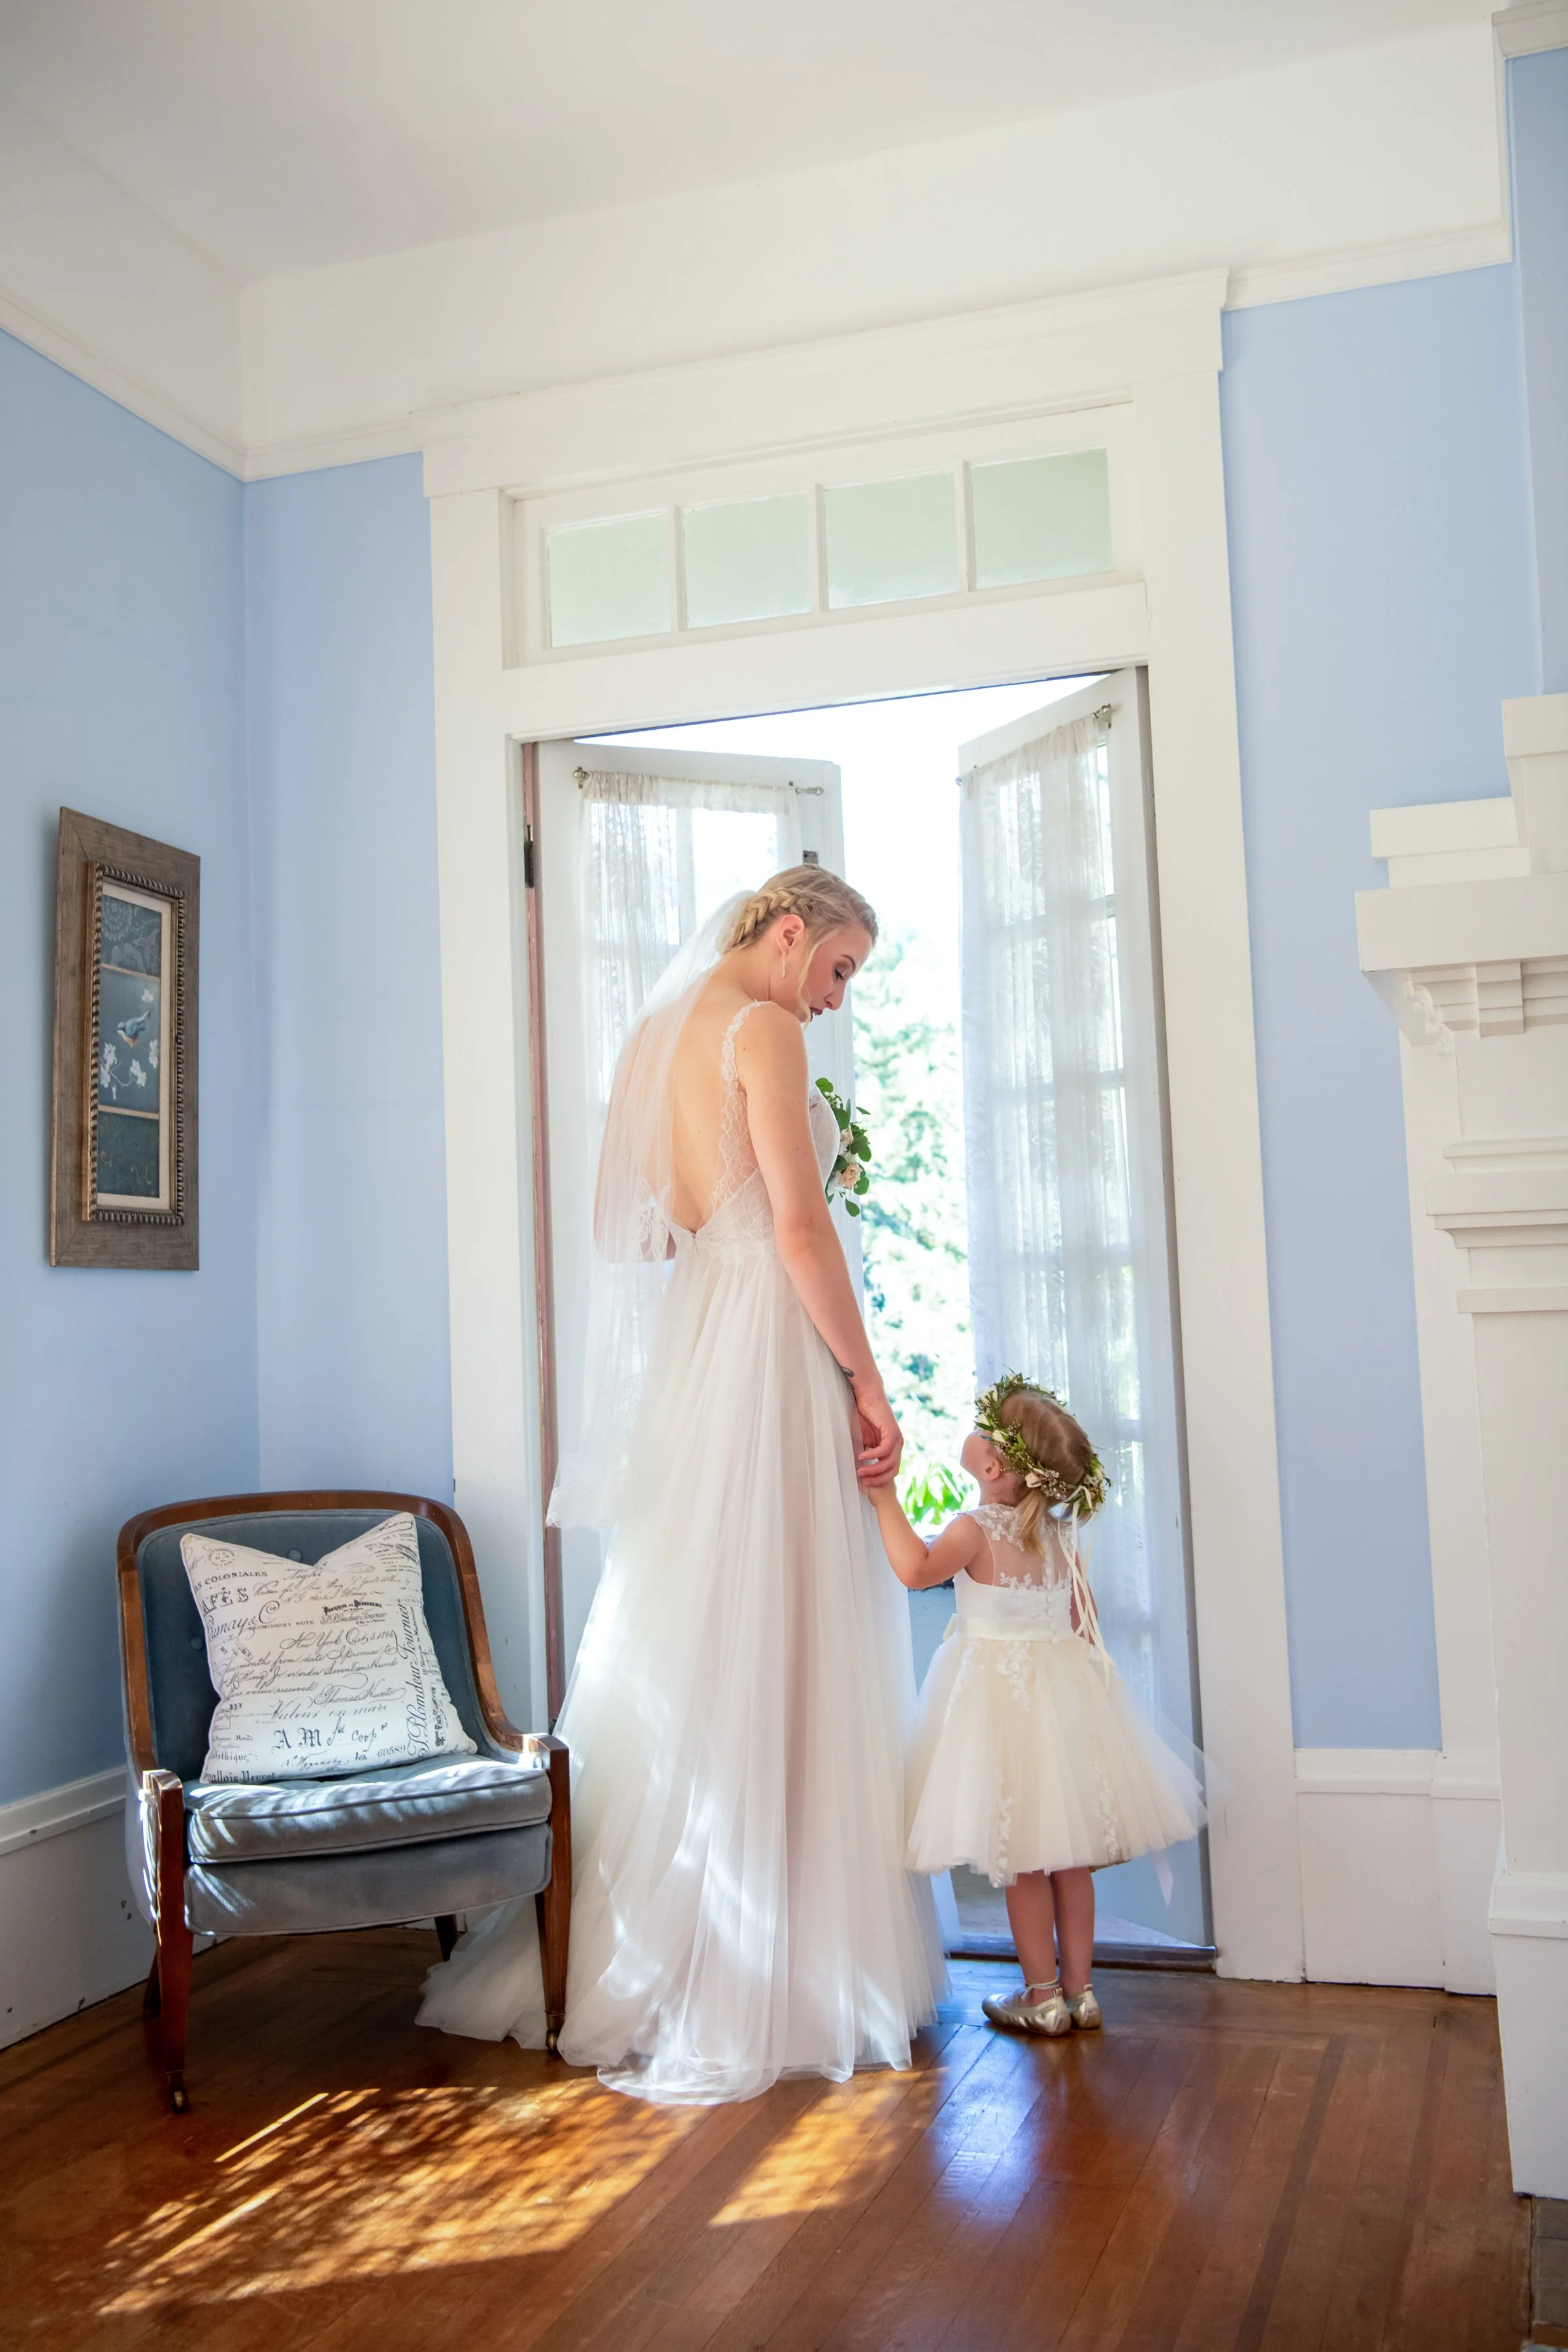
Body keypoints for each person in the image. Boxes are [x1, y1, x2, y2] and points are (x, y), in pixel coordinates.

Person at [419, 866, 945, 2100]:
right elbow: (806, 1233)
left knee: (699, 1626)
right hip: (768, 1341)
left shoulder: (655, 1039)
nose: (835, 999)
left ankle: (685, 1941)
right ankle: (777, 1960)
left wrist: (723, 1228)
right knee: (783, 1624)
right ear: (789, 931)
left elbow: (631, 1235)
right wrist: (871, 1385)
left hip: (705, 1343)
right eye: (841, 969)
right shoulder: (760, 1028)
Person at [868, 1375, 1203, 2037]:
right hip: (1064, 1699)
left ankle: (1040, 1994)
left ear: (992, 1465)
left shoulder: (976, 1529)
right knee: (1069, 1858)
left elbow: (914, 1570)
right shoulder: (1059, 1539)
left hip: (999, 1703)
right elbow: (1085, 1621)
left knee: (1021, 1858)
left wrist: (884, 1499)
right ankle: (1082, 1994)